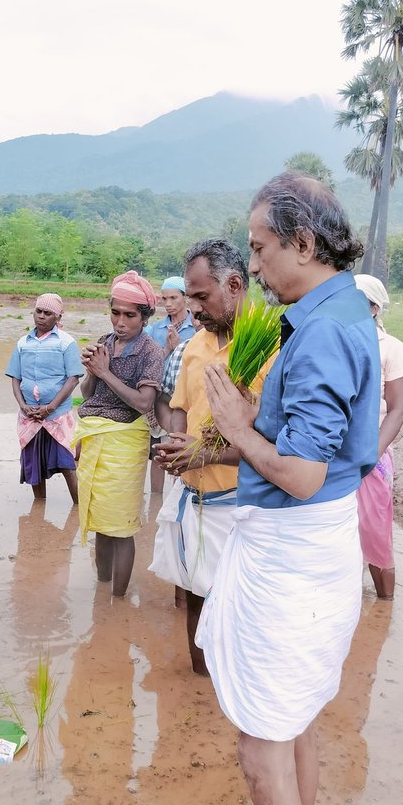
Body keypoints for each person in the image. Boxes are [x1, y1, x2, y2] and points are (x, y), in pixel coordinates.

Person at [196, 173, 379, 805]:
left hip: (292, 555)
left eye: (265, 249)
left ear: (306, 243)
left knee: (263, 749)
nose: (257, 265)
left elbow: (302, 474)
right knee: (293, 722)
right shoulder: (332, 312)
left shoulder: (326, 329)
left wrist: (237, 425)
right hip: (310, 549)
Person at [150, 240, 257, 674]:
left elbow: (277, 446)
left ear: (234, 285)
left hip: (241, 507)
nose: (192, 309)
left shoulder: (272, 349)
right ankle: (197, 695)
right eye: (188, 297)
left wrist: (205, 452)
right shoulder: (195, 346)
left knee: (238, 609)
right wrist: (177, 444)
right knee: (195, 593)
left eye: (200, 296)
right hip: (193, 498)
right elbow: (180, 407)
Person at [73, 271, 165, 598]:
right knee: (101, 522)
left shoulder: (151, 351)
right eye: (115, 312)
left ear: (144, 317)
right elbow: (87, 394)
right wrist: (91, 371)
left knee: (121, 525)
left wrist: (104, 372)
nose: (120, 321)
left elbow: (143, 402)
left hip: (125, 440)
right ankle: (102, 591)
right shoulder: (105, 342)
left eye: (130, 315)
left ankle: (117, 601)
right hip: (96, 435)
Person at [354, 274, 403, 600]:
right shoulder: (336, 343)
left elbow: (398, 409)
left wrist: (371, 454)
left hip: (370, 454)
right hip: (334, 453)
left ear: (374, 309)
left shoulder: (391, 349)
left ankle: (384, 608)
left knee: (375, 533)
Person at [5, 293, 83, 503]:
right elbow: (15, 378)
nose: (41, 316)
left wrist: (50, 407)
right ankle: (38, 512)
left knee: (67, 463)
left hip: (57, 416)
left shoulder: (66, 343)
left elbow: (73, 379)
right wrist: (22, 406)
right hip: (30, 416)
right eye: (38, 311)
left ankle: (79, 508)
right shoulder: (23, 343)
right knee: (33, 466)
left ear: (57, 317)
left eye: (47, 313)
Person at [146, 276, 198, 493]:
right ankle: (157, 498)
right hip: (162, 398)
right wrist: (169, 349)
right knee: (159, 449)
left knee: (181, 445)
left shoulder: (196, 326)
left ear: (185, 298)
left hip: (187, 397)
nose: (168, 303)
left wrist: (177, 348)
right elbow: (148, 362)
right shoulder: (155, 330)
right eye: (164, 298)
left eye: (174, 298)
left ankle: (179, 493)